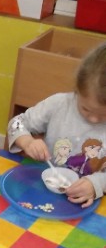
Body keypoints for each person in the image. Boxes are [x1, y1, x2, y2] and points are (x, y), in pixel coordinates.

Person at [7, 42, 106, 208]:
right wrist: (27, 141)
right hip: (42, 191)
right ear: (77, 90)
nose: (94, 119)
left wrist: (97, 184)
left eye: (104, 114)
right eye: (86, 109)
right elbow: (17, 123)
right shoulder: (59, 104)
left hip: (88, 204)